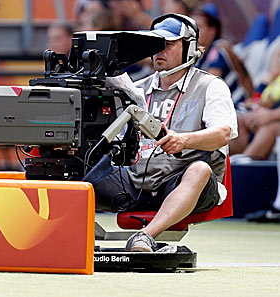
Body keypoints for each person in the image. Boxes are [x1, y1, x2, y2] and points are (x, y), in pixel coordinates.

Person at [83, 14, 238, 252]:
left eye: (168, 44)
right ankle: (67, 232)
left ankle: (144, 237)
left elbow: (223, 134)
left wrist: (183, 140)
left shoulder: (211, 86)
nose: (158, 51)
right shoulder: (136, 89)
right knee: (70, 163)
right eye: (155, 44)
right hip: (135, 182)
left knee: (199, 169)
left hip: (184, 182)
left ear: (190, 48)